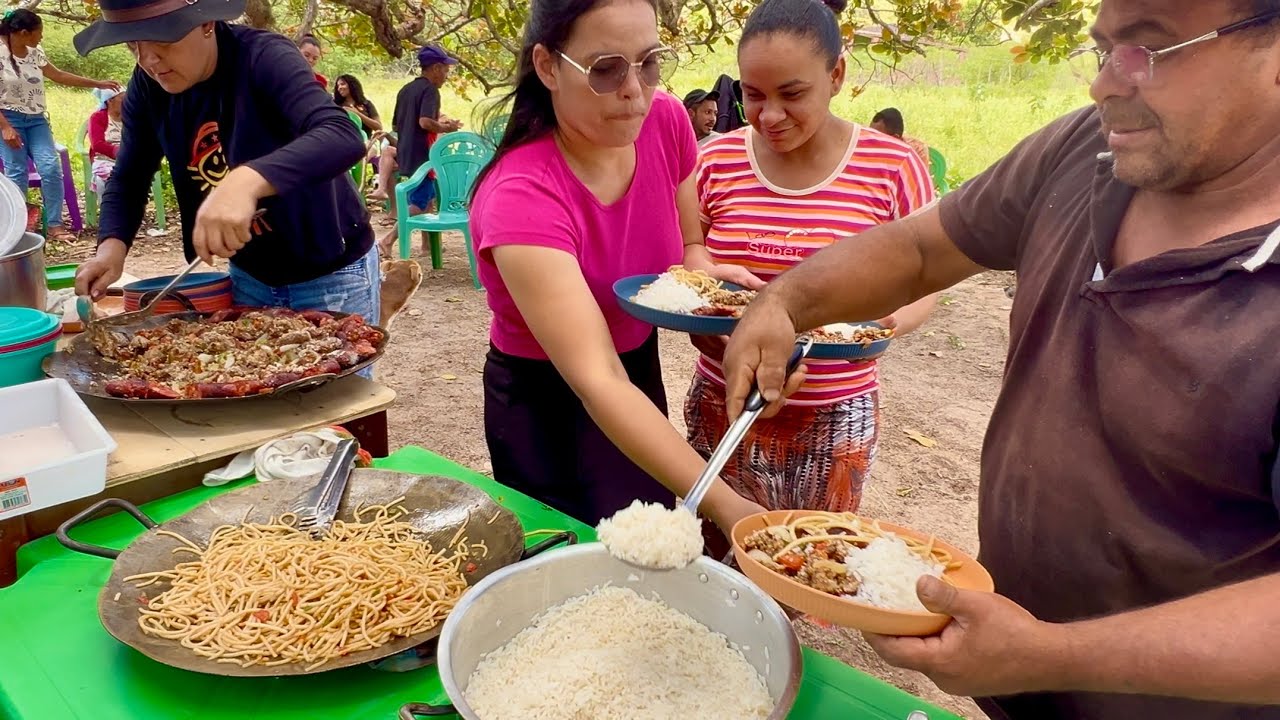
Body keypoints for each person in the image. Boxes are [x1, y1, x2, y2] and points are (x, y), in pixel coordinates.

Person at [721, 1, 1280, 718]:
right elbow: (923, 249)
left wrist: (1053, 654)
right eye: (1102, 49)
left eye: (1150, 48)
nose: (1105, 85)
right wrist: (785, 301)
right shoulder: (1086, 151)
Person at [468, 0, 778, 530]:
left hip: (634, 368)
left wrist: (701, 288)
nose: (634, 90)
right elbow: (598, 378)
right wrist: (729, 508)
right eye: (606, 69)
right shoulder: (522, 196)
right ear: (547, 67)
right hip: (548, 401)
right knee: (574, 560)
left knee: (646, 534)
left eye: (650, 62)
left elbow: (688, 244)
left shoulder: (664, 121)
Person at [687, 0, 935, 515]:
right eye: (752, 95)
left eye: (792, 93)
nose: (769, 115)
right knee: (709, 566)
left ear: (837, 74)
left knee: (809, 568)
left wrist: (877, 326)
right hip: (723, 401)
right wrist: (702, 302)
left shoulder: (893, 167)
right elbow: (688, 259)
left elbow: (926, 277)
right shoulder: (714, 161)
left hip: (833, 415)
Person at [72, 0, 380, 334]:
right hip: (249, 275)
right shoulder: (148, 89)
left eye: (162, 39)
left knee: (338, 386)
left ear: (206, 23)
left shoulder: (263, 56)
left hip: (331, 272)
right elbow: (130, 176)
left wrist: (244, 182)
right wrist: (110, 250)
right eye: (134, 44)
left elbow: (341, 135)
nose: (148, 59)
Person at [0, 9, 120, 242]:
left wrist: (97, 83)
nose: (41, 37)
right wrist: (5, 127)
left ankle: (55, 225)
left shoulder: (35, 52)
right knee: (17, 173)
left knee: (50, 167)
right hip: (7, 119)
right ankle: (18, 230)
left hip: (36, 120)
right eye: (39, 33)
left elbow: (59, 76)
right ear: (24, 33)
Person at [370, 44, 462, 253]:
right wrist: (446, 127)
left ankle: (427, 245)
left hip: (406, 151)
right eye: (446, 70)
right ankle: (387, 241)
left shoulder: (405, 90)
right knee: (419, 205)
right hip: (423, 154)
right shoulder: (430, 90)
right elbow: (425, 122)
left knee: (426, 200)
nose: (446, 76)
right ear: (436, 68)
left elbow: (395, 125)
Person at [87, 85, 125, 197]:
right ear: (109, 100)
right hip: (105, 160)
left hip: (129, 157)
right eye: (122, 98)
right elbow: (97, 144)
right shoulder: (98, 117)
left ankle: (133, 212)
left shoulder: (130, 117)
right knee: (109, 177)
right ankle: (109, 210)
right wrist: (118, 152)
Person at [870, 107, 932, 173]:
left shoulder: (917, 150)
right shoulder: (864, 142)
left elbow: (918, 180)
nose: (872, 140)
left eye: (878, 137)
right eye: (870, 133)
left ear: (895, 138)